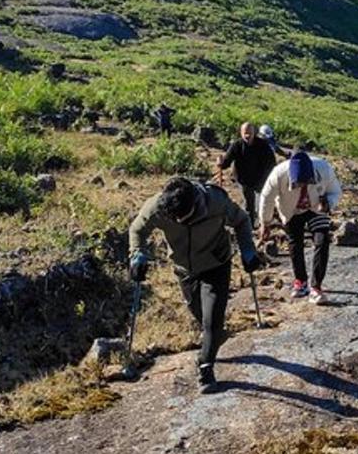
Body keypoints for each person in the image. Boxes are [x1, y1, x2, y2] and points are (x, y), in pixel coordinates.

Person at [128, 176, 263, 391]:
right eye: (174, 219)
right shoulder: (158, 206)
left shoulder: (215, 202)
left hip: (216, 264)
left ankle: (205, 368)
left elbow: (241, 220)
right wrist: (137, 254)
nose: (179, 221)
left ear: (194, 206)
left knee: (212, 319)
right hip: (184, 269)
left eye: (183, 217)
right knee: (199, 314)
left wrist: (248, 249)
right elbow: (137, 230)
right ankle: (215, 336)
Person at [257, 150, 342, 305]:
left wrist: (329, 203)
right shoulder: (278, 174)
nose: (302, 185)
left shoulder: (324, 169)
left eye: (306, 182)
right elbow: (266, 198)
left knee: (322, 240)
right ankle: (300, 281)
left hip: (316, 208)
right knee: (295, 242)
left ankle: (316, 287)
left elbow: (335, 191)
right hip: (291, 209)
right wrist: (265, 223)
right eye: (298, 183)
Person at [215, 122, 278, 226]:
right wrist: (220, 163)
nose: (247, 136)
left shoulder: (263, 145)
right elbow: (226, 162)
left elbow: (271, 162)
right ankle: (250, 225)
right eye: (245, 133)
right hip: (243, 179)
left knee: (262, 201)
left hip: (260, 178)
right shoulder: (237, 145)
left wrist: (268, 176)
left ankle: (263, 223)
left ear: (254, 133)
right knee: (249, 203)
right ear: (241, 133)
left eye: (250, 133)